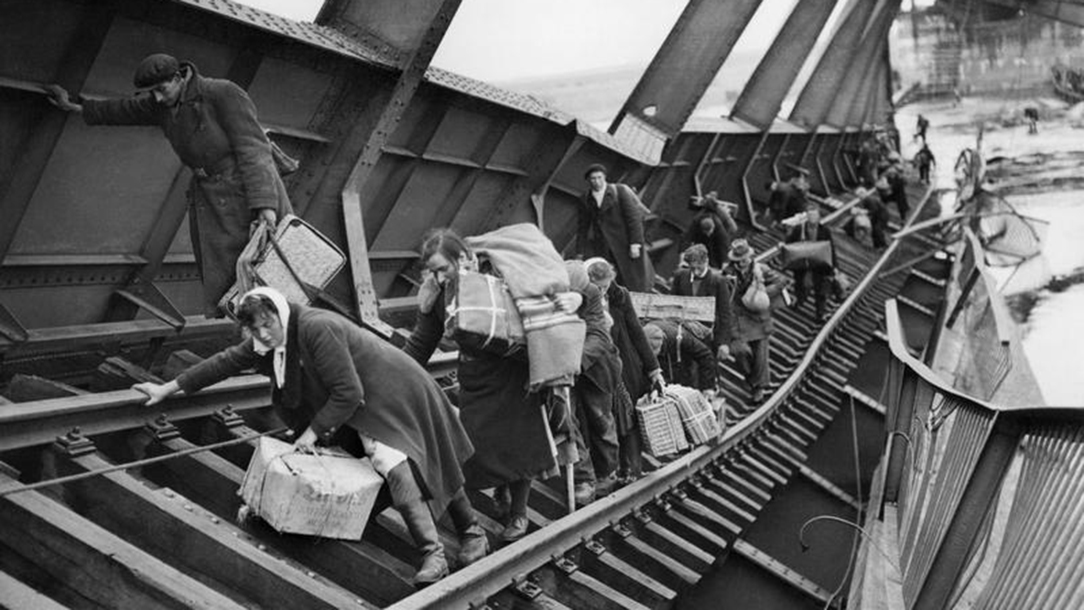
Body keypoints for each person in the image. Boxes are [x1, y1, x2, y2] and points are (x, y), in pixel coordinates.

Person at [132, 287, 484, 585]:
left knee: (394, 462)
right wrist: (168, 388)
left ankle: (434, 554)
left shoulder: (316, 328)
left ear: (279, 313)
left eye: (268, 325)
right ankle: (472, 533)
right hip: (367, 398)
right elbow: (223, 362)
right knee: (423, 459)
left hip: (393, 392)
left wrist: (312, 434)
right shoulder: (269, 342)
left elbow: (348, 392)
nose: (265, 335)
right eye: (256, 330)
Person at [46, 53, 293, 316]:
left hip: (246, 194)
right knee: (233, 277)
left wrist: (265, 205)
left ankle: (284, 330)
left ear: (178, 78)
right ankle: (253, 333)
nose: (157, 98)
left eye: (161, 90)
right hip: (212, 199)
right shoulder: (163, 104)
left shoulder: (221, 93)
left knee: (270, 269)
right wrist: (77, 106)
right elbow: (125, 110)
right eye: (151, 93)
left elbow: (254, 149)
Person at [403, 229, 563, 543]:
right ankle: (499, 488)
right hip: (476, 380)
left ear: (462, 258)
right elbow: (422, 342)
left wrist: (544, 370)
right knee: (478, 443)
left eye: (443, 268)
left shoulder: (502, 279)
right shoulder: (440, 294)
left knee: (519, 443)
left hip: (515, 374)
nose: (438, 276)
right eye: (432, 271)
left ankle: (519, 513)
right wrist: (398, 371)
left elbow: (534, 323)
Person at [585, 258, 665, 482]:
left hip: (624, 366)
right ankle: (612, 471)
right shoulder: (581, 298)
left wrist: (653, 369)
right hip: (597, 369)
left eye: (606, 286)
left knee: (628, 418)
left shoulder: (620, 296)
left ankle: (633, 469)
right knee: (605, 421)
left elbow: (636, 332)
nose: (603, 291)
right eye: (599, 287)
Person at [565, 261, 622, 506]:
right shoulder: (546, 292)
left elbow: (599, 336)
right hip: (563, 368)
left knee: (600, 419)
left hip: (595, 367)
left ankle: (607, 473)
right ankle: (584, 479)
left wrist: (576, 361)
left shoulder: (591, 293)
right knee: (568, 422)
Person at [721, 239, 788, 404]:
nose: (744, 262)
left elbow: (781, 281)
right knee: (739, 352)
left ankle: (758, 387)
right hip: (737, 319)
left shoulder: (760, 269)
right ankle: (752, 380)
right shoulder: (728, 273)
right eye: (740, 259)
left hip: (758, 318)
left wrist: (764, 293)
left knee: (760, 356)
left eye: (746, 258)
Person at [576, 164, 652, 292]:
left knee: (632, 277)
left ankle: (636, 298)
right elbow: (583, 226)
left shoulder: (620, 191)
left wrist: (635, 243)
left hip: (625, 242)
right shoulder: (586, 198)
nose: (597, 181)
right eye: (593, 179)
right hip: (603, 244)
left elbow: (633, 218)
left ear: (605, 177)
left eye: (599, 177)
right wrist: (579, 252)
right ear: (588, 180)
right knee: (609, 276)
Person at [670, 244, 733, 360]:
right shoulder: (680, 276)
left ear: (706, 261)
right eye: (692, 268)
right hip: (683, 332)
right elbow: (672, 305)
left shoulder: (718, 281)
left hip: (708, 337)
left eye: (699, 267)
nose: (696, 272)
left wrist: (724, 343)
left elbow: (725, 314)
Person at [784, 202, 837, 322]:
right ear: (807, 217)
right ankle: (799, 300)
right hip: (803, 263)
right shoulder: (799, 229)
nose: (813, 219)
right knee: (800, 284)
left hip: (819, 264)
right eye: (810, 216)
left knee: (821, 290)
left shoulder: (825, 231)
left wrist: (834, 266)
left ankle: (820, 313)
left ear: (818, 217)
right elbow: (790, 242)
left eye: (815, 216)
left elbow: (831, 248)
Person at [643, 319, 716, 392]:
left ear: (661, 344)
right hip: (669, 348)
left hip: (690, 348)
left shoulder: (682, 338)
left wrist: (708, 387)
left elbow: (705, 355)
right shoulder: (640, 339)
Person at [683, 192, 738, 268]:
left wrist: (724, 264)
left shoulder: (718, 223)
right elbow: (687, 237)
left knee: (717, 247)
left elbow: (724, 244)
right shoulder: (699, 220)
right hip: (710, 236)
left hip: (726, 231)